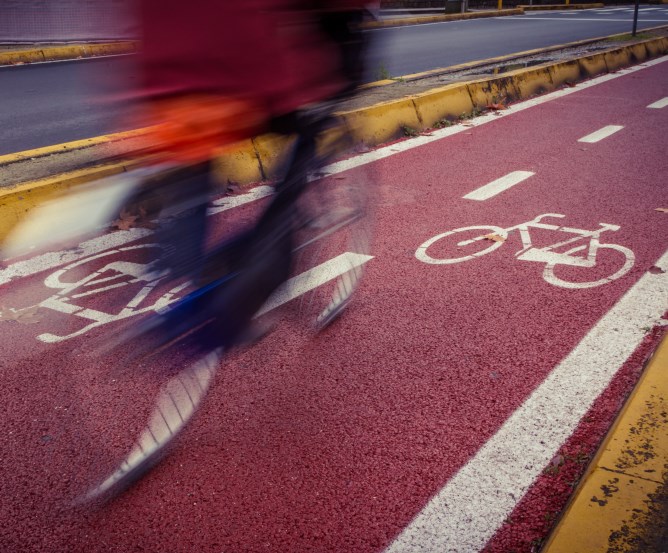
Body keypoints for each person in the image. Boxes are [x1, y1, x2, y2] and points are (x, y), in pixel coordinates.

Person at [125, 0, 375, 355]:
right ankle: (241, 288)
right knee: (299, 143)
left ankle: (186, 271)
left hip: (161, 63)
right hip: (242, 62)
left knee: (192, 155)